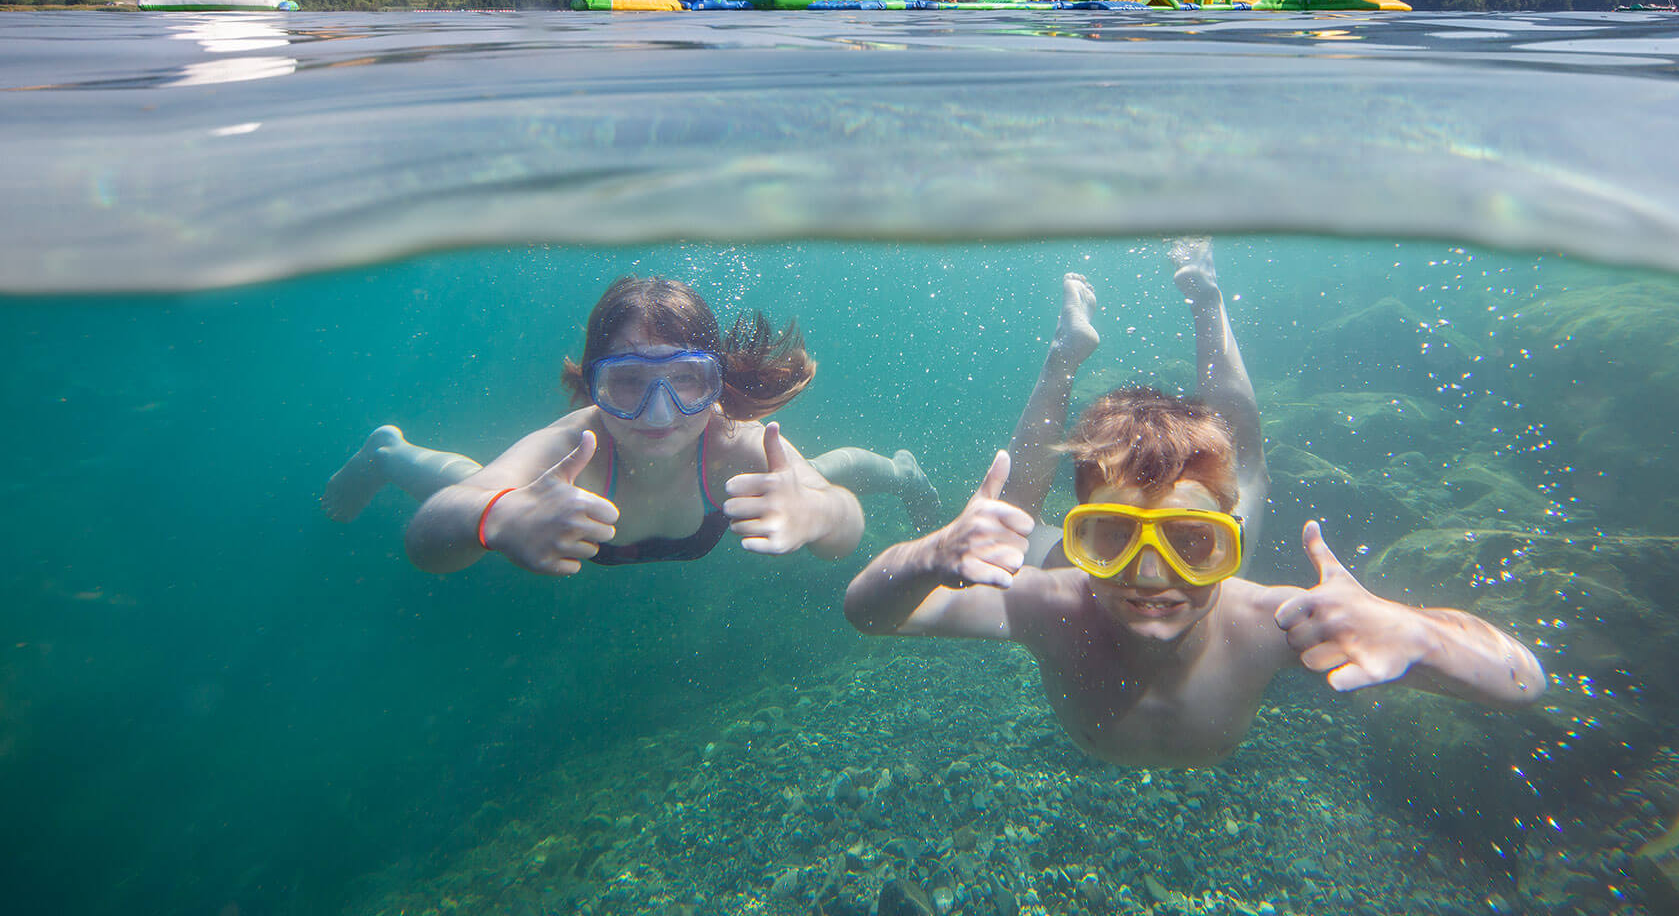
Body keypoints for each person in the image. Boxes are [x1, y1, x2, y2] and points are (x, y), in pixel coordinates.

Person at [844, 242, 1546, 768]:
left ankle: (1207, 300)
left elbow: (1522, 681)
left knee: (1247, 466)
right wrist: (932, 553)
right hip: (1069, 568)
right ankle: (1063, 355)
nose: (1152, 575)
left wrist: (1413, 632)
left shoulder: (1272, 622)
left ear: (1226, 540)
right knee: (1012, 522)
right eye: (1112, 537)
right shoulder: (1052, 603)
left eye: (1191, 540)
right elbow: (869, 615)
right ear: (1083, 540)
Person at [326, 276, 944, 574]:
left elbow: (844, 531)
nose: (657, 414)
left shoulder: (735, 444)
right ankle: (388, 453)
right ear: (591, 385)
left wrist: (819, 515)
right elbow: (427, 540)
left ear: (716, 384)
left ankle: (901, 473)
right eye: (626, 383)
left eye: (686, 383)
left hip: (719, 503)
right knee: (472, 484)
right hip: (598, 505)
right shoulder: (577, 443)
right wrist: (502, 517)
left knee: (827, 477)